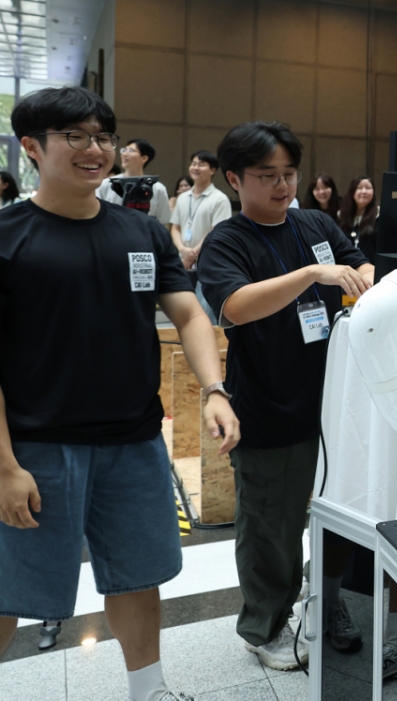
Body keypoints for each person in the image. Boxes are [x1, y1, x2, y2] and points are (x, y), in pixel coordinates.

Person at [0, 86, 239, 701]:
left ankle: (149, 691)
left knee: (137, 578)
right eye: (74, 136)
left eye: (103, 137)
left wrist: (214, 388)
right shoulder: (8, 235)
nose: (95, 149)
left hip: (133, 442)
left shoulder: (142, 232)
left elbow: (189, 313)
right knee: (7, 591)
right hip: (36, 448)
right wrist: (4, 466)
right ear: (32, 147)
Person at [197, 121, 377, 672]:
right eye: (266, 175)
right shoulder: (228, 241)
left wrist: (364, 277)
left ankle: (328, 603)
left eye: (289, 174)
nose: (281, 186)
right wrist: (311, 274)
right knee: (271, 527)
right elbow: (235, 305)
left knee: (339, 513)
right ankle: (265, 628)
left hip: (334, 402)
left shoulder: (315, 222)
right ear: (234, 179)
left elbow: (357, 258)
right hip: (269, 405)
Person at [170, 150, 231, 324]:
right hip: (183, 261)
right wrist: (183, 250)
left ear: (212, 170)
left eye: (201, 164)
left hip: (206, 263)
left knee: (204, 314)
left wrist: (193, 253)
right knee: (181, 312)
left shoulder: (219, 199)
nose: (196, 167)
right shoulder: (183, 198)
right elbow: (175, 228)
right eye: (194, 163)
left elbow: (215, 231)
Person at [97, 138, 172, 226]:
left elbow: (164, 222)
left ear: (144, 158)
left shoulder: (157, 188)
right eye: (124, 150)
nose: (124, 154)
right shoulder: (107, 184)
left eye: (130, 150)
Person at [338, 176, 379, 263]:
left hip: (370, 267)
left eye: (368, 188)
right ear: (352, 191)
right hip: (345, 266)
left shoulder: (380, 215)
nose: (364, 191)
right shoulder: (342, 215)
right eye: (359, 188)